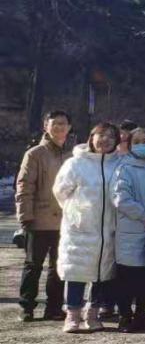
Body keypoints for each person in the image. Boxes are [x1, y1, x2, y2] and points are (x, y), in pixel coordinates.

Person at [52, 122, 122, 333]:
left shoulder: (119, 164)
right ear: (91, 137)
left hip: (107, 229)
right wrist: (76, 212)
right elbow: (60, 192)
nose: (105, 139)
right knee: (76, 272)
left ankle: (92, 314)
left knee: (101, 273)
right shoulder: (75, 163)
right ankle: (72, 315)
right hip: (80, 229)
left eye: (111, 136)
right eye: (101, 135)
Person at [16, 109, 74, 321]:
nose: (59, 127)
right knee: (33, 265)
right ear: (46, 126)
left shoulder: (72, 155)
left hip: (64, 221)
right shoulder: (35, 154)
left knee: (58, 267)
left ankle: (54, 307)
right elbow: (24, 186)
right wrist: (25, 216)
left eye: (63, 123)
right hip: (38, 219)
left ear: (69, 127)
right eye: (54, 123)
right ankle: (27, 306)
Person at [111, 126, 145, 332]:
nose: (141, 145)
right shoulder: (123, 168)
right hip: (130, 230)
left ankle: (142, 315)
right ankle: (125, 316)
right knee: (127, 276)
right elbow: (121, 199)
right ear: (129, 145)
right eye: (136, 142)